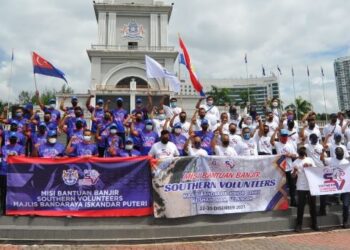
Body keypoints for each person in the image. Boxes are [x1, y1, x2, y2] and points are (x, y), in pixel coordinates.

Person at [321, 147, 350, 228]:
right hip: (333, 185)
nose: (340, 155)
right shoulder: (330, 160)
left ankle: (345, 221)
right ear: (336, 154)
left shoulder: (346, 162)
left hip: (345, 186)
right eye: (339, 154)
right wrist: (323, 152)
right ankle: (322, 211)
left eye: (341, 154)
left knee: (346, 205)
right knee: (323, 194)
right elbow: (322, 159)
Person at [292, 146, 319, 232]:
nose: (302, 156)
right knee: (301, 207)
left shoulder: (310, 159)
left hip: (311, 186)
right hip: (301, 186)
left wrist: (311, 166)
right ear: (299, 153)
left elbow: (316, 171)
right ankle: (299, 225)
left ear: (305, 153)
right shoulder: (295, 162)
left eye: (303, 154)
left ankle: (314, 224)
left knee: (313, 206)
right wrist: (295, 171)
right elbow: (293, 176)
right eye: (301, 154)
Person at [271, 128, 298, 206]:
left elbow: (295, 155)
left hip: (289, 168)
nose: (284, 137)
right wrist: (275, 131)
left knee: (292, 186)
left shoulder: (290, 144)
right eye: (283, 136)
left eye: (286, 136)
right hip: (280, 169)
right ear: (280, 136)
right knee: (281, 186)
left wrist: (289, 155)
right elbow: (271, 141)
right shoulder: (277, 144)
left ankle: (293, 201)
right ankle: (280, 202)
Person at [0, 132, 25, 214]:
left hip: (14, 172)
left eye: (14, 138)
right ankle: (3, 209)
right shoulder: (4, 147)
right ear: (9, 139)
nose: (12, 139)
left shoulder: (20, 147)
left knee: (14, 190)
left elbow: (23, 157)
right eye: (11, 138)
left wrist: (14, 156)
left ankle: (14, 208)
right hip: (3, 171)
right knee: (3, 190)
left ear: (16, 139)